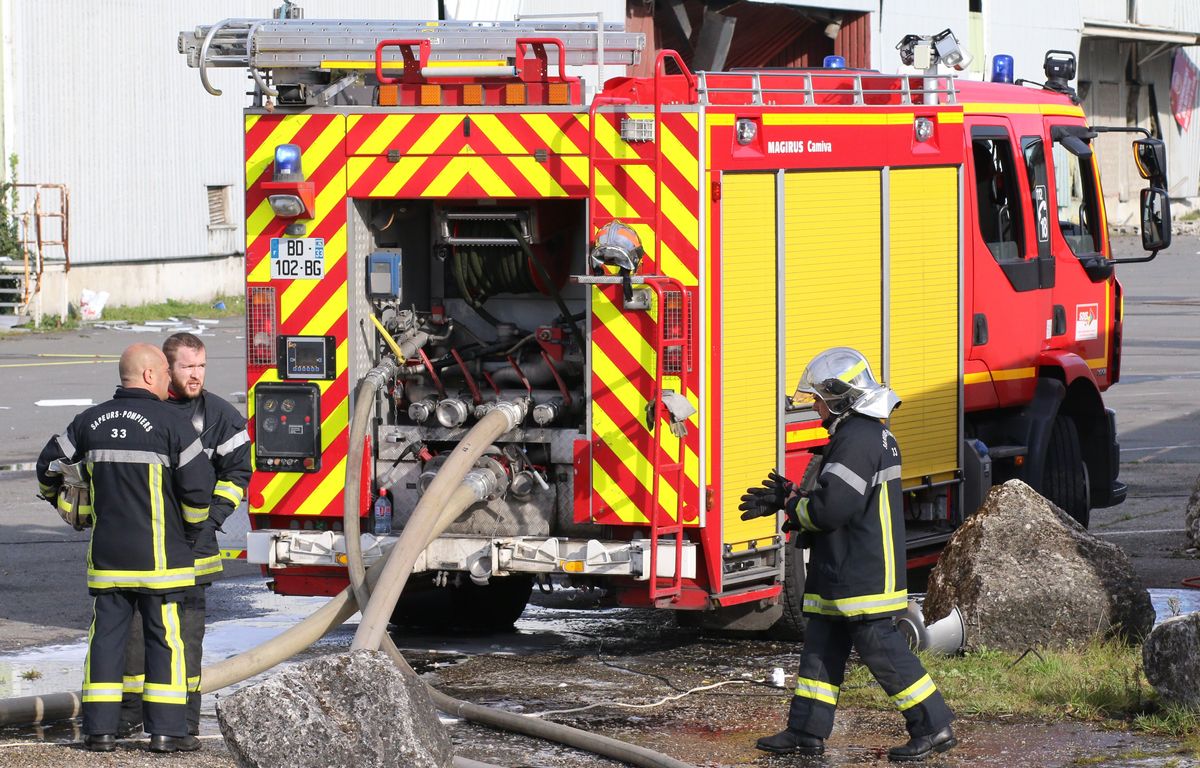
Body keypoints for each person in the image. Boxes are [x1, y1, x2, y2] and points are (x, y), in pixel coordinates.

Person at [740, 347, 956, 762]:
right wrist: (794, 495)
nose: (815, 407)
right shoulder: (865, 434)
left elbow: (833, 508)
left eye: (819, 398)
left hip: (860, 571)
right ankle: (805, 730)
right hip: (841, 567)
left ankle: (933, 726)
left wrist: (789, 506)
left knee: (883, 651)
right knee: (821, 648)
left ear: (839, 396)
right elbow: (839, 500)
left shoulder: (856, 438)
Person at [36, 343, 214, 753]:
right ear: (150, 375)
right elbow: (198, 491)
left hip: (108, 562)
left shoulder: (89, 421)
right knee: (165, 641)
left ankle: (100, 732)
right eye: (165, 374)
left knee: (105, 641)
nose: (171, 380)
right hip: (160, 562)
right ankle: (167, 732)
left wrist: (62, 501)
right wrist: (189, 533)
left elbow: (48, 468)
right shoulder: (172, 423)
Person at [119, 332, 251, 738]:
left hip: (195, 550)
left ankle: (183, 725)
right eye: (187, 367)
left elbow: (238, 473)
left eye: (201, 366)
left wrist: (209, 520)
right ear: (164, 368)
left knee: (186, 642)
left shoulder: (220, 417)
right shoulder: (144, 412)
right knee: (136, 638)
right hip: (145, 546)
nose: (196, 376)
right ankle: (128, 717)